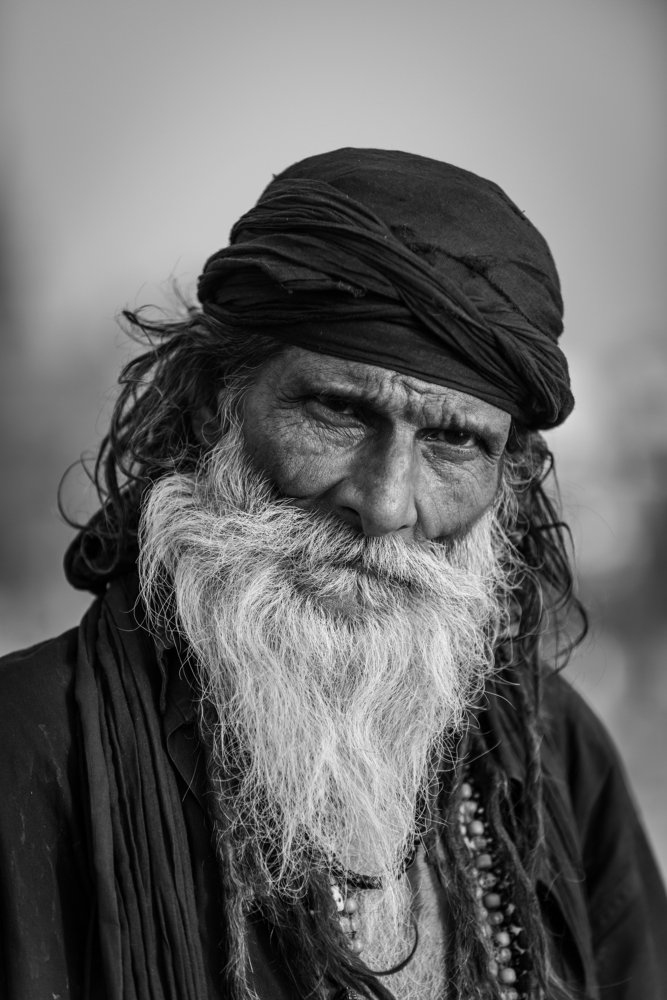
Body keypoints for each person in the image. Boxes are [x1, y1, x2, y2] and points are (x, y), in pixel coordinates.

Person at [0, 147, 665, 1000]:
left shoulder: (551, 758)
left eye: (452, 440)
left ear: (507, 475)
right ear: (215, 402)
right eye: (339, 411)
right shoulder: (29, 755)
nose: (385, 505)